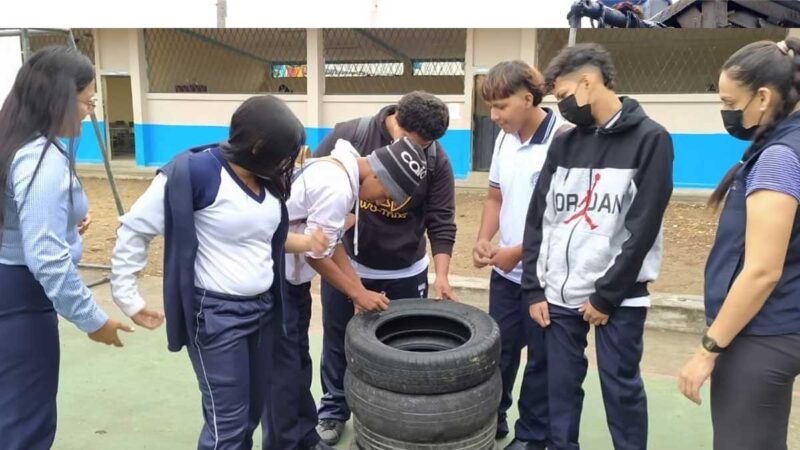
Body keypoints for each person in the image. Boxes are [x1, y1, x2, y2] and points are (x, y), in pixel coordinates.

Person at [110, 95, 330, 450]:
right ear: (258, 148)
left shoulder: (266, 182)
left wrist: (307, 243)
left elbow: (261, 236)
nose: (287, 165)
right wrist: (127, 296)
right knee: (227, 424)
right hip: (215, 317)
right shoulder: (195, 173)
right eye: (283, 155)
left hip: (263, 312)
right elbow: (135, 229)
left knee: (250, 416)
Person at [521, 43, 673, 450]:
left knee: (620, 387)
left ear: (588, 82)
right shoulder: (565, 142)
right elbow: (539, 218)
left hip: (619, 295)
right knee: (561, 386)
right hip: (557, 293)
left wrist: (606, 296)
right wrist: (535, 288)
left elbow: (643, 228)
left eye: (563, 96)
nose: (562, 108)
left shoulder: (651, 139)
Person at [0, 46, 133, 449]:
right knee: (25, 422)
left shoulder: (13, 143)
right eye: (88, 101)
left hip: (11, 285)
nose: (90, 111)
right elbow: (45, 256)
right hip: (22, 298)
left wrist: (67, 226)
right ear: (58, 99)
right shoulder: (39, 158)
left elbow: (24, 222)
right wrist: (94, 320)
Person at [310, 90, 456, 445]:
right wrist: (353, 283)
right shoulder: (349, 137)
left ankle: (394, 416)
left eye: (427, 146)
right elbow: (315, 191)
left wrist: (442, 275)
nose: (419, 152)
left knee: (402, 348)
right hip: (349, 265)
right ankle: (333, 409)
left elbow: (441, 220)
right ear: (399, 127)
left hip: (406, 271)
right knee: (337, 340)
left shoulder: (436, 159)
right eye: (413, 143)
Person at [678, 38, 800, 450]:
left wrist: (709, 349)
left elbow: (763, 269)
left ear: (763, 97)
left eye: (731, 102)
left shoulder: (780, 156)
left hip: (763, 332)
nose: (726, 112)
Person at [280, 133, 430, 448]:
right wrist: (358, 293)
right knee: (288, 366)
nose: (380, 201)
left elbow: (331, 247)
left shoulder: (339, 171)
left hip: (291, 278)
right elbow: (316, 255)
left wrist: (357, 290)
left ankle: (302, 436)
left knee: (296, 360)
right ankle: (291, 439)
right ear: (375, 173)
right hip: (276, 278)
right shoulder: (337, 188)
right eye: (387, 191)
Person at [472, 60, 571, 448]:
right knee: (500, 353)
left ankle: (531, 436)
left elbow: (568, 219)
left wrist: (522, 253)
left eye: (501, 106)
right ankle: (492, 419)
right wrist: (484, 238)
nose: (494, 116)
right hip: (506, 275)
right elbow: (496, 195)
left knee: (541, 362)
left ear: (528, 99)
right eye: (490, 108)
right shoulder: (504, 138)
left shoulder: (565, 139)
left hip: (549, 280)